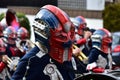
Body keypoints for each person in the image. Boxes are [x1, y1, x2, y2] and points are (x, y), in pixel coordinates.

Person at [11, 5, 80, 80]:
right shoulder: (30, 61)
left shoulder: (68, 59)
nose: (68, 41)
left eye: (70, 33)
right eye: (60, 35)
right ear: (44, 33)